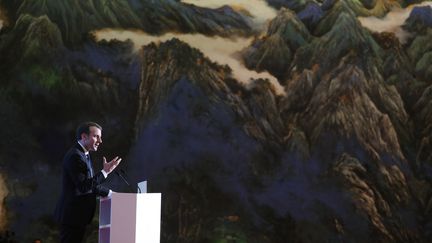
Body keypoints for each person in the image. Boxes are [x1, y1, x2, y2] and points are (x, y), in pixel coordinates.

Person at [54, 122, 122, 243]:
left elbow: (90, 185)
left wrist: (111, 193)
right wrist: (104, 172)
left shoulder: (84, 154)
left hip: (78, 217)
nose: (100, 141)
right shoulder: (75, 156)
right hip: (72, 217)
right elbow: (84, 187)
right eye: (96, 136)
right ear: (84, 137)